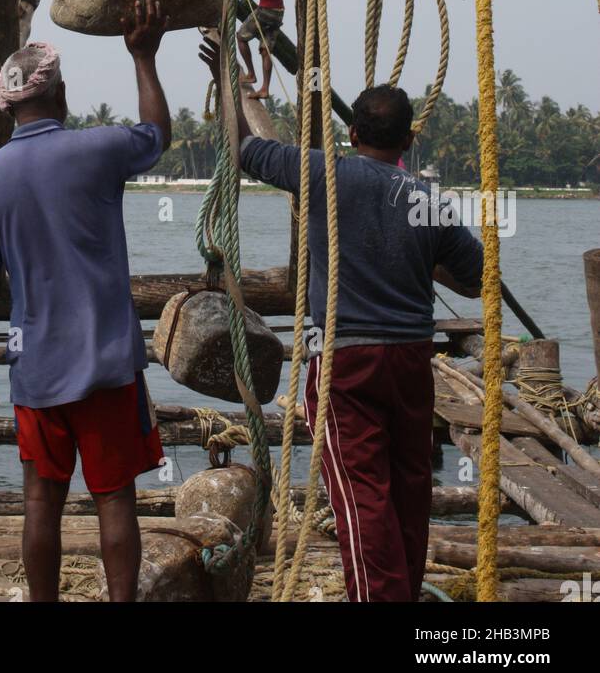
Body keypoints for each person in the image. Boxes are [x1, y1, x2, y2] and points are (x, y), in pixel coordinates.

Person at [198, 40, 484, 603]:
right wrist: (417, 257)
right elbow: (475, 278)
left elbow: (242, 150)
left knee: (361, 494)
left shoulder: (322, 172)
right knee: (407, 485)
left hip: (344, 361)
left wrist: (230, 81)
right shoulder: (428, 199)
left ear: (352, 135)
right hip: (410, 360)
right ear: (408, 140)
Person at [0, 0, 171, 603]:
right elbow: (157, 134)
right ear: (59, 95)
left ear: (9, 106)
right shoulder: (98, 149)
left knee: (39, 501)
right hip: (106, 362)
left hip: (36, 363)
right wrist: (144, 57)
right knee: (114, 499)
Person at [236, 0, 284, 100]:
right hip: (277, 14)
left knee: (240, 37)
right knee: (265, 51)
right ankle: (264, 89)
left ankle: (250, 74)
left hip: (267, 11)